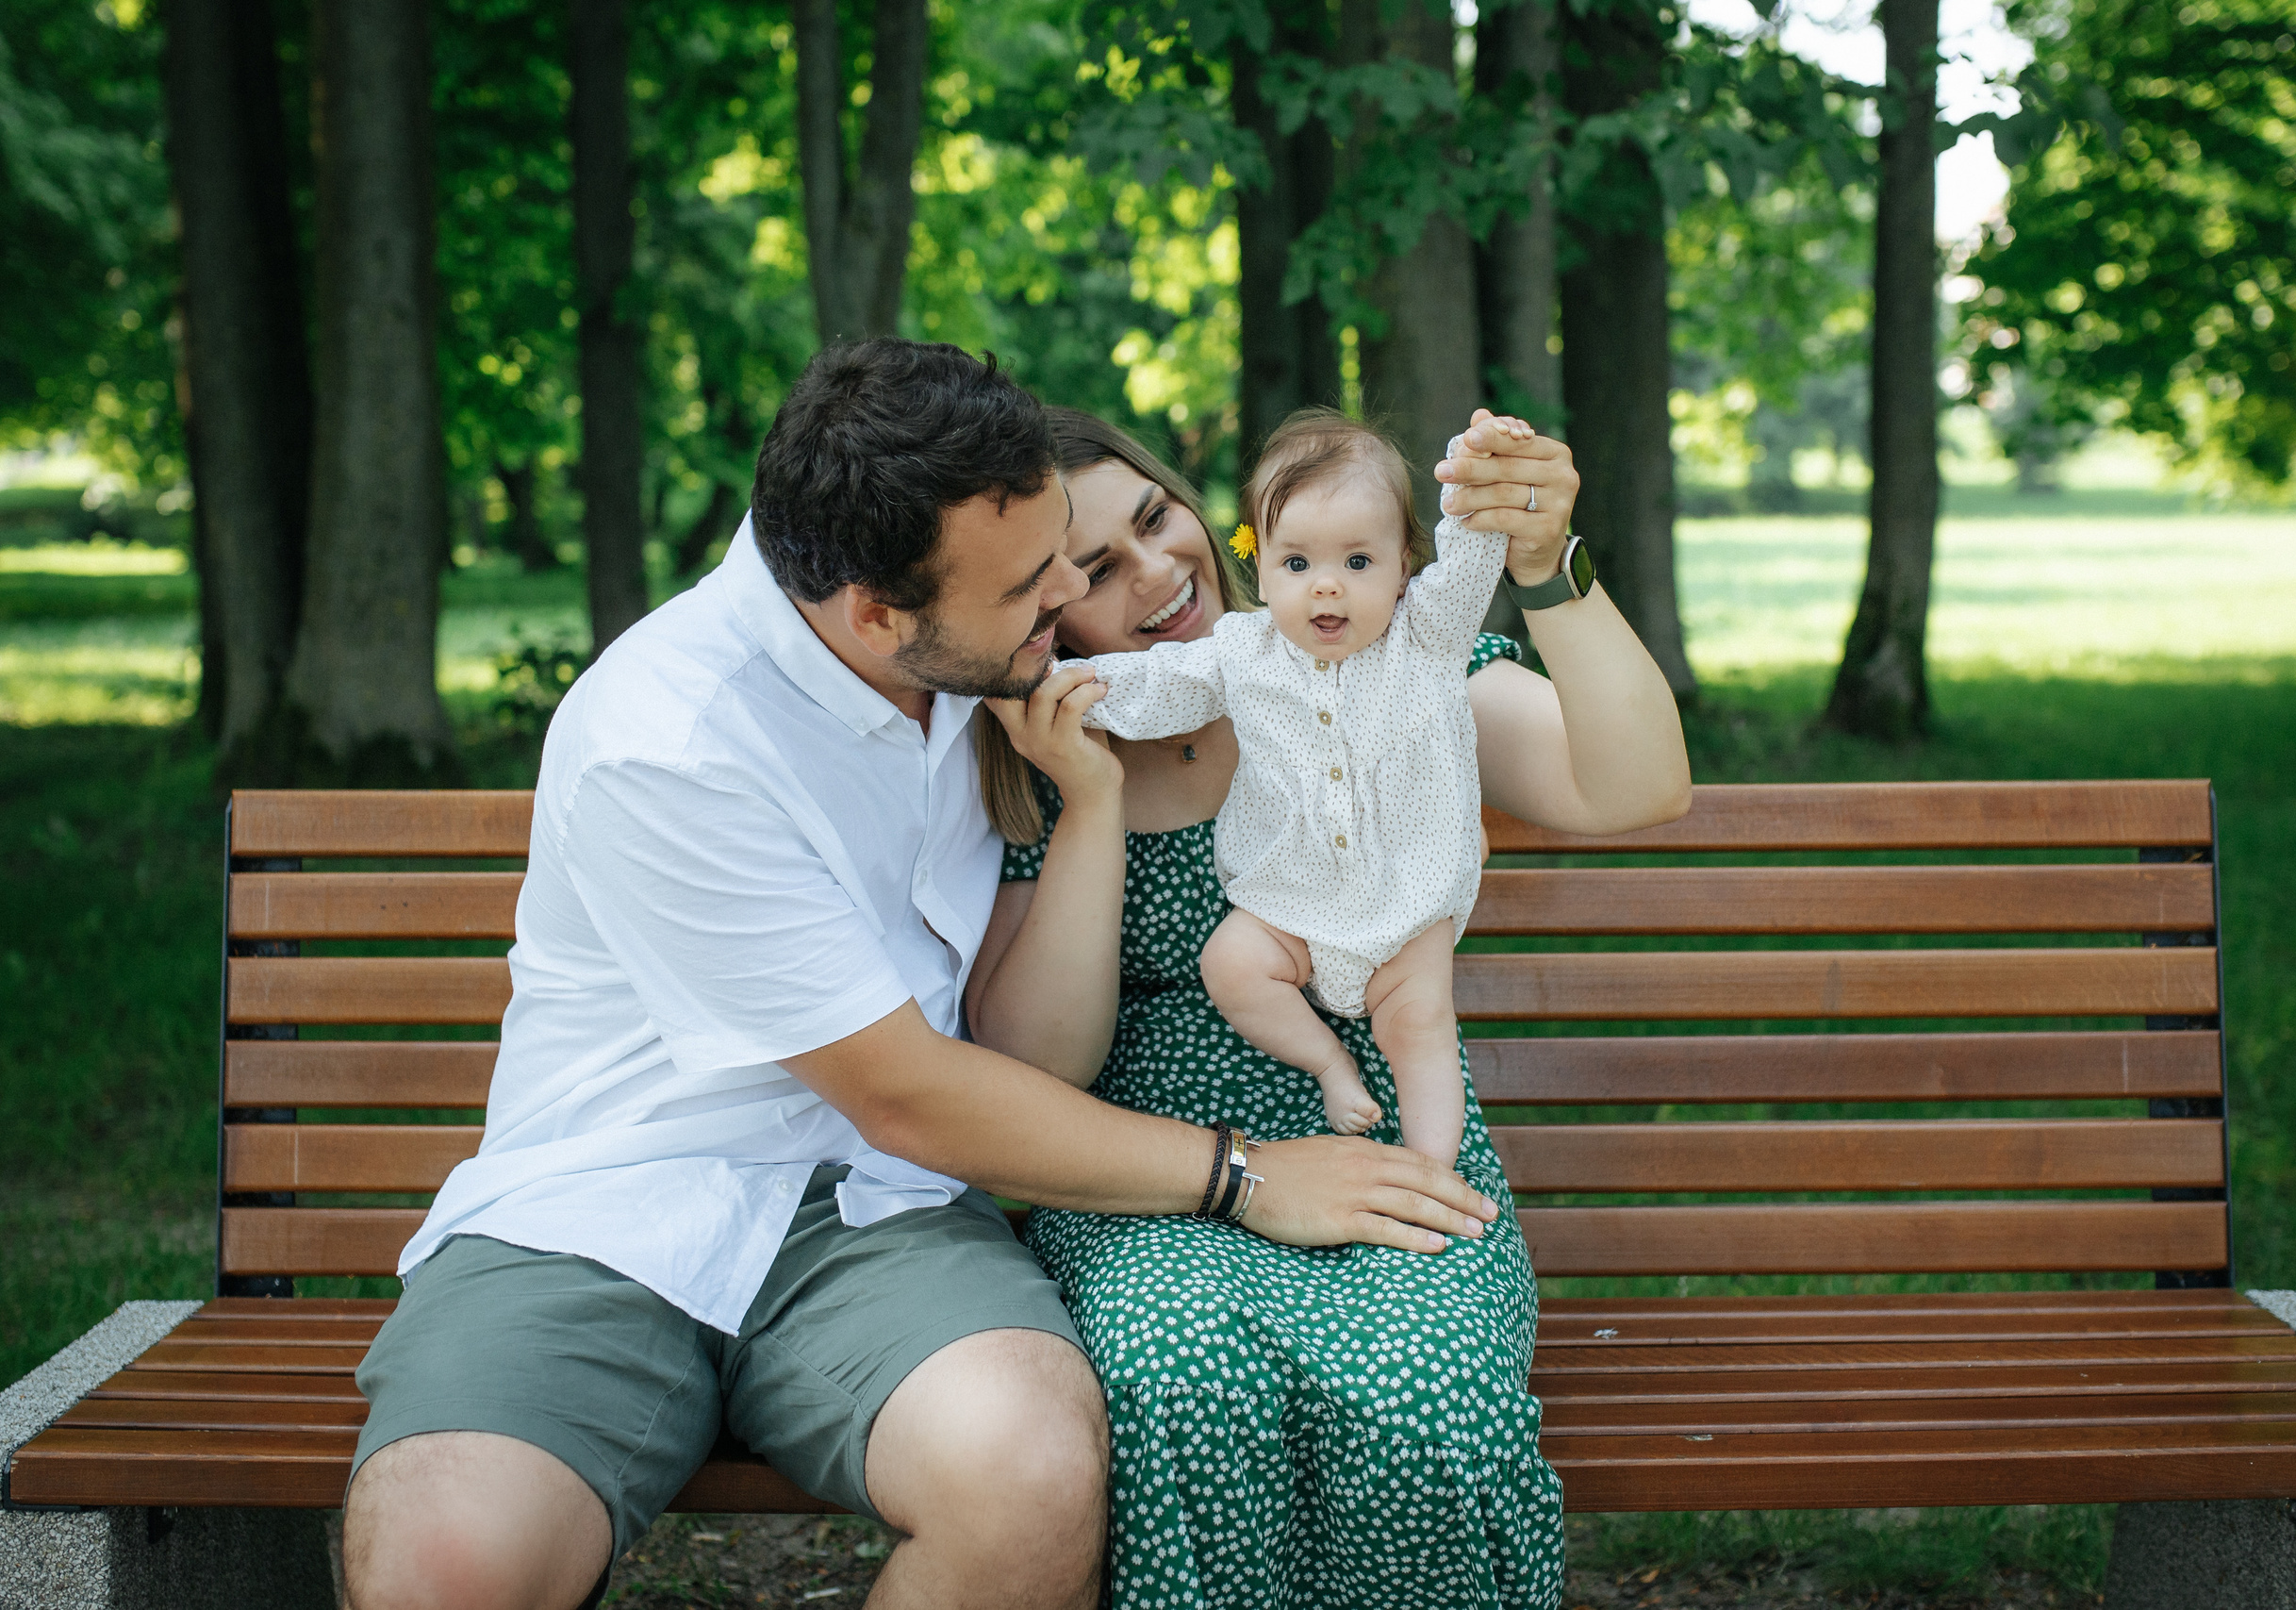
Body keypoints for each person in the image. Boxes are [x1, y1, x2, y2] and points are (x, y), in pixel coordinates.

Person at [338, 340, 1497, 1610]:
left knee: (1028, 1475)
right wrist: (1245, 1173)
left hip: (881, 1218)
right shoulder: (669, 743)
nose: (1071, 594)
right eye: (1032, 584)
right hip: (608, 1208)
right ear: (877, 616)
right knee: (449, 1566)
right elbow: (905, 1090)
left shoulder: (984, 668)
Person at [966, 406, 1693, 1608]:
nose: (1155, 569)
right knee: (1177, 1372)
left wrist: (1544, 565)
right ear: (1047, 606)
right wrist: (1090, 801)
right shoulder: (1044, 756)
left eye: (1156, 518)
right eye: (1095, 565)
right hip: (1157, 1176)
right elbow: (1038, 1064)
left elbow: (1641, 788)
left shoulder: (1393, 664)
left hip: (1389, 1140)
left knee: (1428, 1399)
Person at [1066, 410, 1529, 1164]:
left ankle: (1433, 1168)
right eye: (1297, 563)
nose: (1327, 587)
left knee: (1421, 1024)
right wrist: (1061, 684)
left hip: (1404, 899)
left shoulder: (1427, 636)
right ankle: (1328, 1063)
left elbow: (1473, 555)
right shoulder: (1241, 652)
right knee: (1231, 964)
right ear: (1261, 566)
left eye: (1358, 561)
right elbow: (1155, 684)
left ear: (1403, 567)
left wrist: (1477, 468)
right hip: (1287, 902)